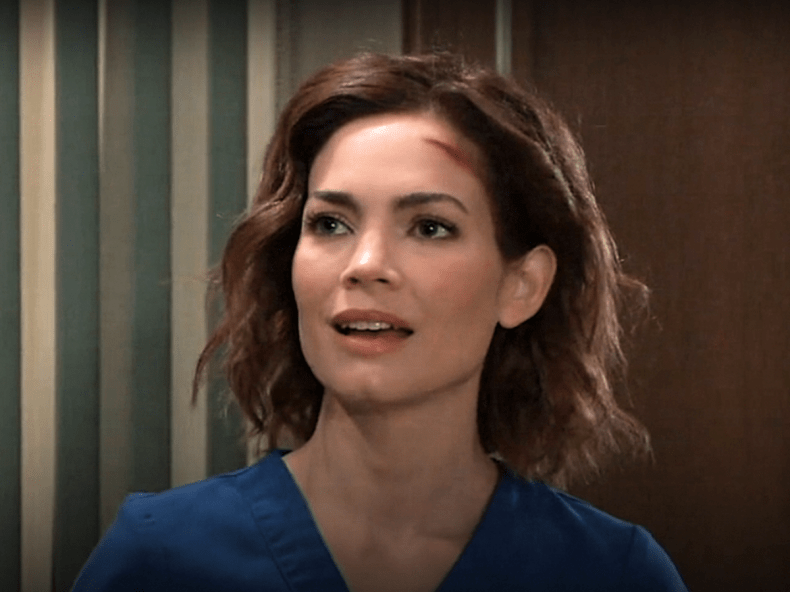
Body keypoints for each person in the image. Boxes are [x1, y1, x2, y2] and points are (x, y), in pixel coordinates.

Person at [72, 52, 687, 591]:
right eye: (330, 224)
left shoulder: (612, 574)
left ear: (522, 285)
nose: (366, 265)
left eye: (430, 227)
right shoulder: (160, 558)